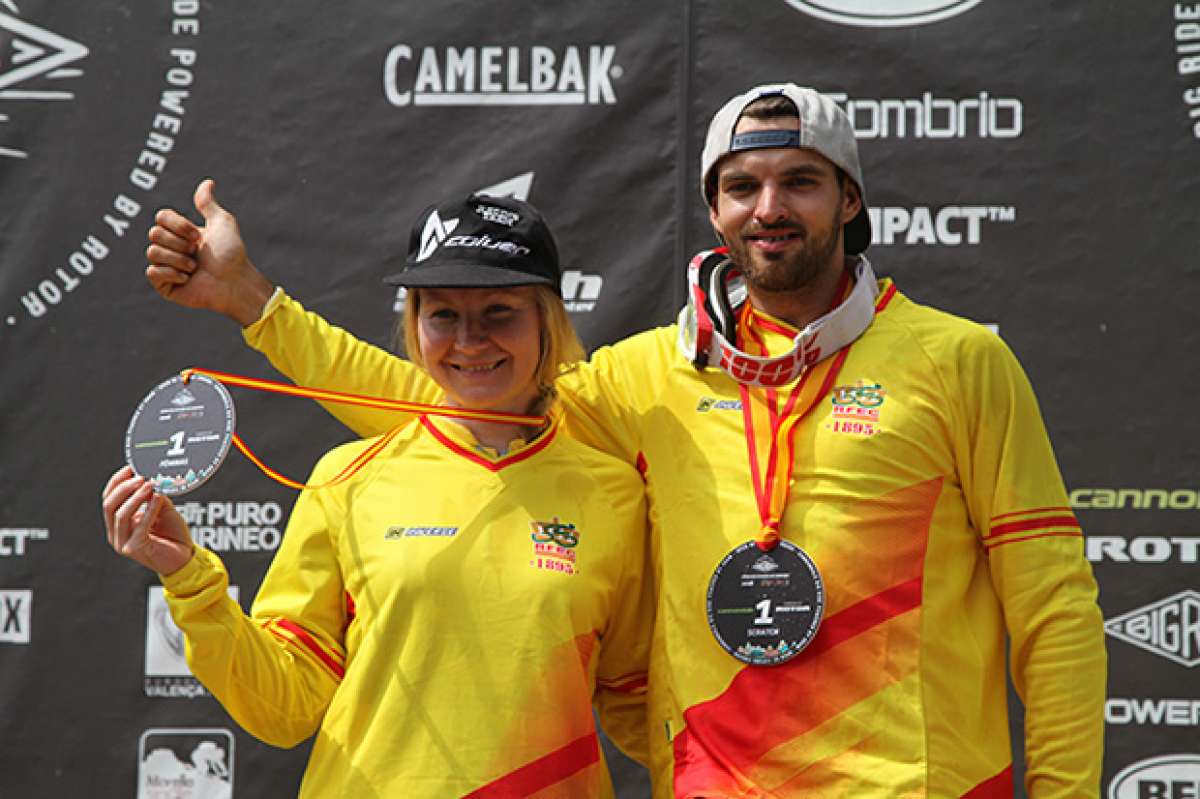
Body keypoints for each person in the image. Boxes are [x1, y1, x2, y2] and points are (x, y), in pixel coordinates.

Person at [145, 84, 1106, 798]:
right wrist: (253, 305)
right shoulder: (647, 376)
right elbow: (451, 397)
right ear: (714, 210)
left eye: (799, 181)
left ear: (849, 199)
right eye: (742, 185)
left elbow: (1055, 610)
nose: (769, 206)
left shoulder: (960, 361)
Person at [108, 194, 653, 797]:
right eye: (442, 315)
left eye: (500, 311)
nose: (470, 340)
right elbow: (284, 708)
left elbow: (638, 700)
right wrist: (188, 578)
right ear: (415, 324)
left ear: (548, 320)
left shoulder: (614, 493)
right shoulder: (349, 476)